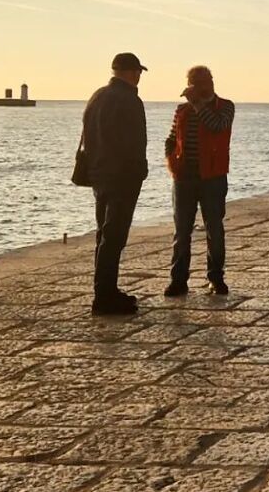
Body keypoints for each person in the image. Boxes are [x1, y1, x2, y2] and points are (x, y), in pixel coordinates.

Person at [80, 51, 149, 315]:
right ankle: (104, 296)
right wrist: (140, 171)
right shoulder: (130, 100)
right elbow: (136, 142)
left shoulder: (97, 97)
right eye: (138, 72)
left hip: (99, 174)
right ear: (131, 72)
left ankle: (105, 290)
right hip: (123, 176)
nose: (139, 76)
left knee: (104, 234)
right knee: (115, 236)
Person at [164, 65, 236, 296]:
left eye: (201, 82)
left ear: (210, 83)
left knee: (214, 229)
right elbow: (172, 139)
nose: (196, 87)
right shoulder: (182, 110)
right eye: (193, 83)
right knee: (181, 231)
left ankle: (216, 278)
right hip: (184, 178)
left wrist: (197, 104)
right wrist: (172, 163)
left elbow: (217, 126)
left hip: (213, 177)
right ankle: (178, 280)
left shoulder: (225, 107)